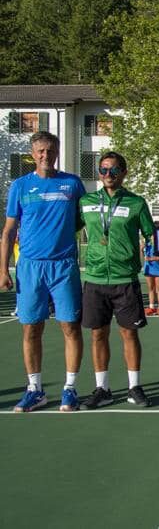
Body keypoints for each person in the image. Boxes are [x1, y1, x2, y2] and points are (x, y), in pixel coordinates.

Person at [0, 131, 85, 412]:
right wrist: (3, 270)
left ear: (57, 151)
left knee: (70, 327)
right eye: (40, 151)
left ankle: (69, 389)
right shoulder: (21, 186)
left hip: (64, 266)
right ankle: (35, 389)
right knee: (30, 329)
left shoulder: (72, 184)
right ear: (32, 153)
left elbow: (83, 221)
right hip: (30, 267)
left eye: (50, 150)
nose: (45, 155)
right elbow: (9, 230)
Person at [79, 151, 155, 409]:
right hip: (95, 278)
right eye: (103, 170)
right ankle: (103, 388)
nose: (107, 175)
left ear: (123, 173)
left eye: (113, 170)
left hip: (125, 279)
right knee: (98, 334)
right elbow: (65, 228)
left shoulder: (136, 202)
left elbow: (152, 235)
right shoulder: (86, 201)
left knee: (129, 333)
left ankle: (134, 387)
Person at [143, 221, 159, 316]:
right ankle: (151, 307)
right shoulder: (147, 242)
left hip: (158, 268)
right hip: (148, 268)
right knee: (150, 288)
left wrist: (152, 258)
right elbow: (144, 257)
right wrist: (141, 249)